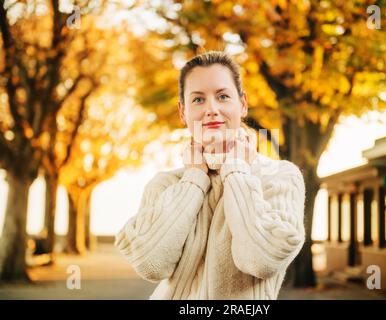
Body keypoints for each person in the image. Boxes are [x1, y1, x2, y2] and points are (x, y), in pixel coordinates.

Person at [115, 51, 306, 299]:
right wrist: (194, 179)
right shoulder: (165, 184)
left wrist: (237, 171)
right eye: (198, 100)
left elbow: (262, 260)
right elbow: (150, 264)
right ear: (183, 112)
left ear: (243, 104)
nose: (212, 109)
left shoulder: (280, 177)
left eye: (223, 96)